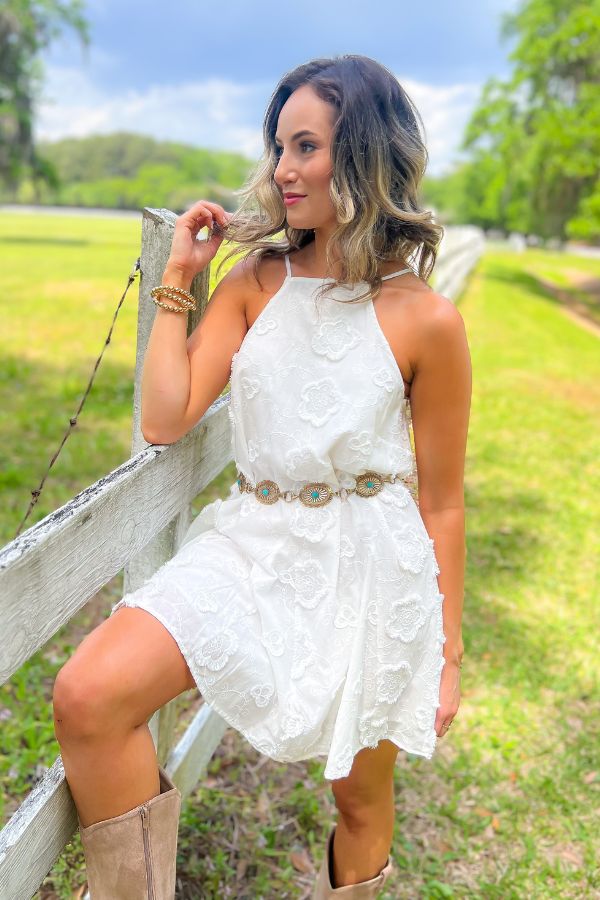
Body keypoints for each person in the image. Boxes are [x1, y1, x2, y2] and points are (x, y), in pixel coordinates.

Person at [52, 54, 471, 899]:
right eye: (279, 145)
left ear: (362, 158)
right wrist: (179, 279)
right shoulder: (255, 282)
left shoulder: (427, 318)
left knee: (359, 802)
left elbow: (443, 502)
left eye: (306, 145)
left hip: (371, 568)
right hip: (252, 543)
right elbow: (165, 418)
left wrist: (449, 654)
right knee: (88, 694)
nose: (282, 168)